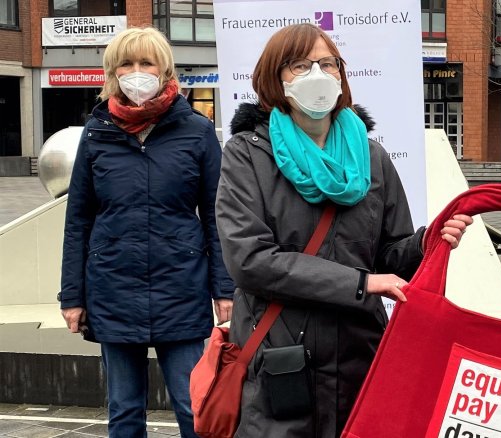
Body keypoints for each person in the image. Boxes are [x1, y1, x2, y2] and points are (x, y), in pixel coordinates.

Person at [214, 23, 472, 437]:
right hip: (282, 362)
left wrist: (427, 242)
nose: (317, 74)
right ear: (274, 78)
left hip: (360, 359)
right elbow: (250, 261)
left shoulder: (371, 156)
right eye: (300, 65)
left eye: (328, 63)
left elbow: (389, 255)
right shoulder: (247, 155)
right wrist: (360, 283)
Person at [58, 27, 234, 437]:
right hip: (112, 291)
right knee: (123, 413)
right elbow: (78, 220)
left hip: (181, 290)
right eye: (127, 64)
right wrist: (72, 296)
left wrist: (224, 289)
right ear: (112, 72)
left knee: (196, 411)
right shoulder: (97, 132)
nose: (137, 72)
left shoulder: (197, 130)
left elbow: (216, 216)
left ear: (164, 68)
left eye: (146, 63)